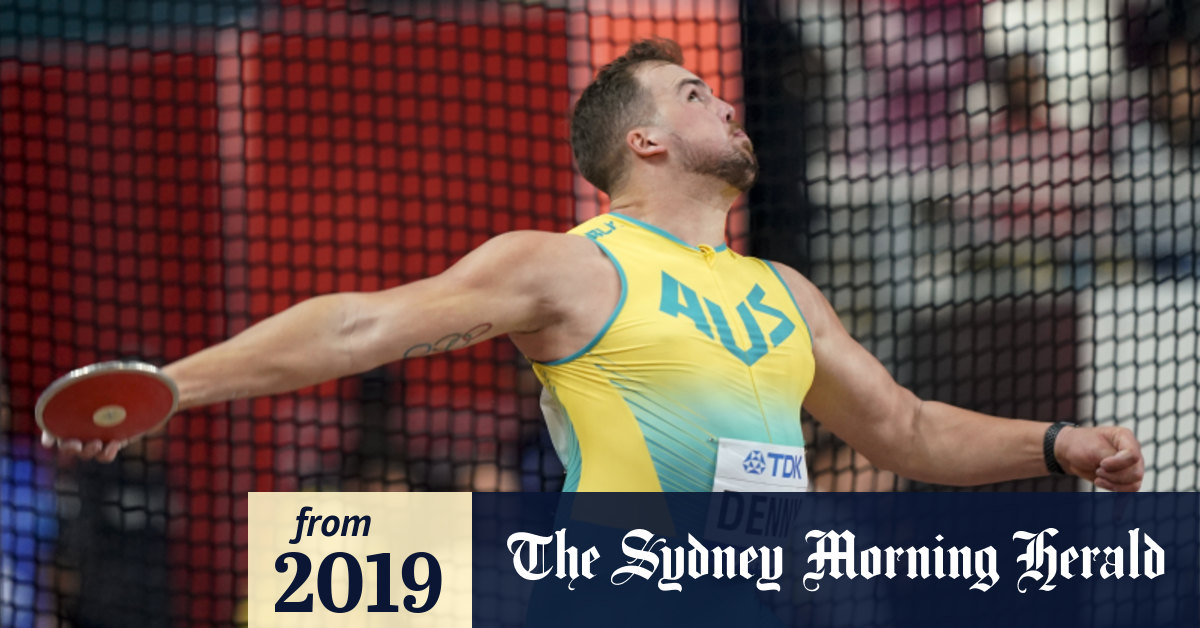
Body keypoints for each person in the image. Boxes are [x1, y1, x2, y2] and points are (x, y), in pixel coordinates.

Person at [43, 38, 1144, 493]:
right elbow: (356, 327)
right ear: (644, 143)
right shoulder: (574, 268)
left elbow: (904, 429)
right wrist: (176, 384)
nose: (726, 100)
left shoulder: (782, 294)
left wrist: (1054, 444)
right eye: (694, 95)